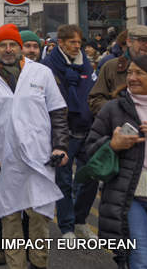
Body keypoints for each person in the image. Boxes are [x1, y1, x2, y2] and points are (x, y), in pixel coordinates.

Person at [0, 24, 69, 269]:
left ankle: (39, 263)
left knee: (39, 217)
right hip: (4, 159)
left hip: (40, 157)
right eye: (2, 45)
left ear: (20, 47)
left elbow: (58, 112)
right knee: (10, 218)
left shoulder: (41, 73)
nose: (8, 49)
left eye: (12, 44)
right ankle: (16, 265)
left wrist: (60, 146)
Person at [82, 54, 147, 268]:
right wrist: (113, 145)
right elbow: (89, 150)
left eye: (139, 73)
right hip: (130, 196)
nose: (132, 77)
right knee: (142, 259)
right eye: (130, 72)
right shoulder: (113, 109)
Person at [40, 24, 98, 241]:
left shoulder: (87, 66)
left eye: (79, 42)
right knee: (63, 181)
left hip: (87, 129)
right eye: (72, 42)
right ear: (61, 43)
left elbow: (92, 94)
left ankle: (81, 221)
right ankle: (67, 228)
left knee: (90, 176)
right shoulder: (48, 67)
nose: (77, 46)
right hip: (63, 133)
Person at [89, 25, 147, 116]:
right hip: (119, 127)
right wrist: (117, 111)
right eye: (142, 41)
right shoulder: (111, 67)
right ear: (129, 42)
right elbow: (95, 99)